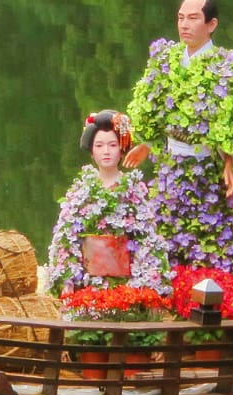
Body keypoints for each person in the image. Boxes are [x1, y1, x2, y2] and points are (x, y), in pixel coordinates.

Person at [123, 0, 233, 274]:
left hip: (206, 168)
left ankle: (216, 293)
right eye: (181, 17)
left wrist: (230, 161)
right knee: (167, 227)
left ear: (211, 24)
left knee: (210, 233)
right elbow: (155, 108)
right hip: (170, 165)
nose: (184, 25)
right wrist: (148, 144)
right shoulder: (166, 61)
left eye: (193, 18)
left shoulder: (231, 67)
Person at [47, 110, 169, 297]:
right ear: (91, 152)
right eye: (99, 145)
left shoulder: (133, 189)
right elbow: (66, 237)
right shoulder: (81, 190)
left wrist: (145, 282)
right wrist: (67, 278)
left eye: (112, 145)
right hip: (87, 284)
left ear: (122, 149)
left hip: (126, 283)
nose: (106, 151)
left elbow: (147, 239)